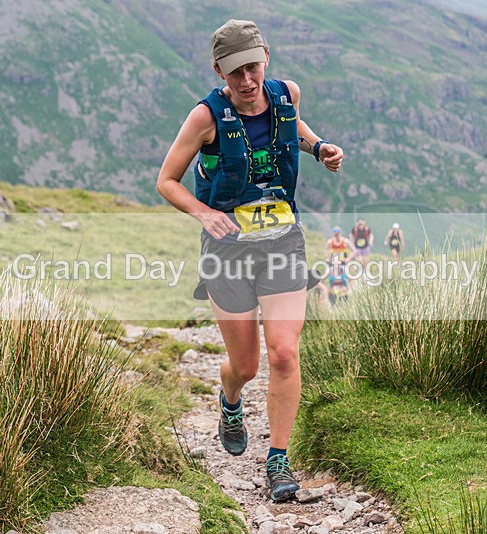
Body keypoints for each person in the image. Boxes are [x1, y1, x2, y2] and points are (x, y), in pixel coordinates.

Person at [156, 19, 344, 502]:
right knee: (245, 364)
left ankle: (279, 461)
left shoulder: (287, 93)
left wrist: (318, 146)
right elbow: (167, 181)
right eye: (236, 71)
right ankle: (231, 397)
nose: (247, 81)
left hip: (283, 240)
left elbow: (290, 126)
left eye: (254, 67)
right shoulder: (205, 118)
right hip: (228, 250)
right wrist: (204, 215)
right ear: (219, 70)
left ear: (266, 59)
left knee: (284, 352)